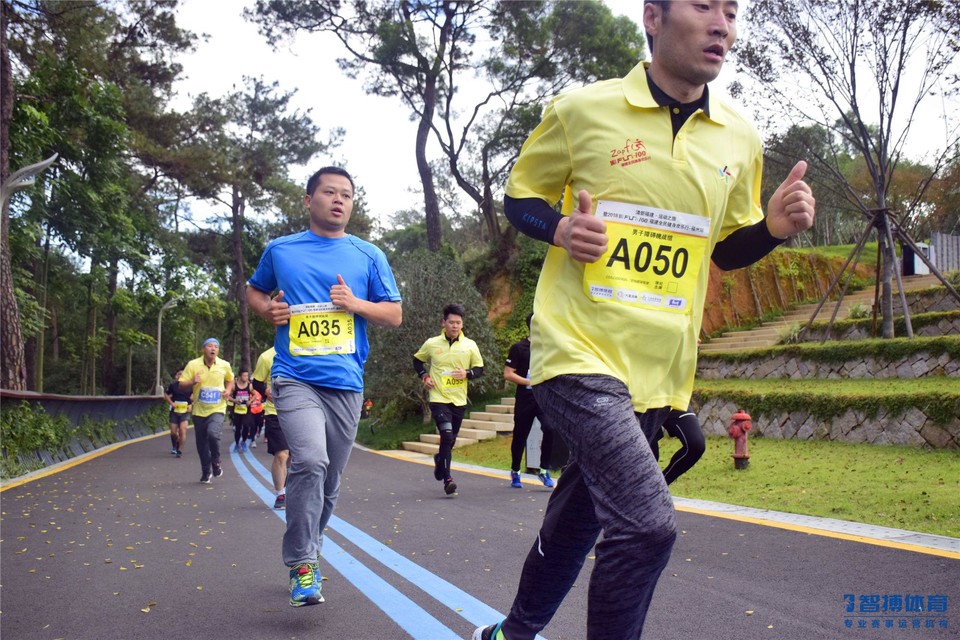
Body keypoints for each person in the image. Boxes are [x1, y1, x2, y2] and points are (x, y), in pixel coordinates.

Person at [473, 2, 815, 639]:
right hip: (576, 351)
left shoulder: (739, 138)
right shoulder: (583, 110)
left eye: (733, 13)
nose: (723, 25)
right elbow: (521, 196)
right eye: (705, 7)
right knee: (646, 523)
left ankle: (509, 635)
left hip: (657, 372)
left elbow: (725, 247)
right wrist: (560, 228)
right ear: (653, 17)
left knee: (578, 523)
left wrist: (772, 229)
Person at [246, 166, 402, 608]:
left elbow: (393, 314)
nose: (339, 200)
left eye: (347, 195)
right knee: (310, 462)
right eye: (330, 192)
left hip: (346, 383)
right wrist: (267, 311)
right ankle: (301, 562)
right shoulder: (281, 250)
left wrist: (355, 304)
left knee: (330, 480)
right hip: (294, 377)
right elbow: (255, 292)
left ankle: (310, 546)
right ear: (308, 199)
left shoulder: (368, 255)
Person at [413, 303, 484, 496]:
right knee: (446, 435)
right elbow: (417, 360)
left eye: (458, 323)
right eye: (451, 322)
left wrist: (467, 373)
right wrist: (425, 377)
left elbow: (479, 369)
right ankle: (448, 479)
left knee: (450, 440)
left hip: (459, 399)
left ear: (462, 324)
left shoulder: (470, 345)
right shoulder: (432, 343)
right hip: (438, 396)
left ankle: (440, 461)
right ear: (443, 323)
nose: (455, 326)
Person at [503, 313, 555, 489]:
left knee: (550, 427)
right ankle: (515, 470)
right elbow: (508, 373)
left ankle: (544, 469)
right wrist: (528, 382)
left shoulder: (548, 347)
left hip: (543, 399)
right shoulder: (519, 348)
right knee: (520, 435)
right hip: (525, 399)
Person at [179, 338, 234, 484]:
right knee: (201, 443)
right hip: (199, 410)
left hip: (217, 408)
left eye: (216, 346)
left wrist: (228, 390)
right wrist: (192, 382)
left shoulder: (224, 365)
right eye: (210, 346)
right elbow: (181, 385)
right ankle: (206, 470)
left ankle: (216, 461)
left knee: (213, 434)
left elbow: (230, 380)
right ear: (203, 349)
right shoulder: (193, 364)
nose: (213, 349)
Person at [252, 346, 289, 510]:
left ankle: (291, 489)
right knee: (281, 455)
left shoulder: (306, 351)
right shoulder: (267, 356)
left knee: (297, 458)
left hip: (301, 412)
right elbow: (257, 383)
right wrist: (266, 391)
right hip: (275, 412)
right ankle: (280, 494)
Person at [650, 407, 705, 485]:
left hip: (676, 401)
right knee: (650, 457)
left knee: (696, 445)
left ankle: (659, 486)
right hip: (646, 404)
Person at [163, 369, 192, 458]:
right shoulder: (173, 386)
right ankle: (174, 446)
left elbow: (195, 397)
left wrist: (191, 405)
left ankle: (180, 450)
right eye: (178, 374)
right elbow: (166, 395)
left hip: (185, 412)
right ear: (176, 376)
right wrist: (172, 403)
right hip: (174, 411)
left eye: (183, 374)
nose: (180, 376)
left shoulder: (190, 387)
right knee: (173, 432)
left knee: (183, 430)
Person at [229, 369, 255, 453]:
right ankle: (237, 444)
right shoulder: (234, 386)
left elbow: (255, 394)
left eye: (247, 376)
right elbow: (228, 396)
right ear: (240, 376)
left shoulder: (249, 385)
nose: (246, 377)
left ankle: (243, 442)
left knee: (246, 425)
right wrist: (235, 400)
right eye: (244, 376)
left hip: (246, 409)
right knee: (238, 427)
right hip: (237, 410)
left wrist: (250, 401)